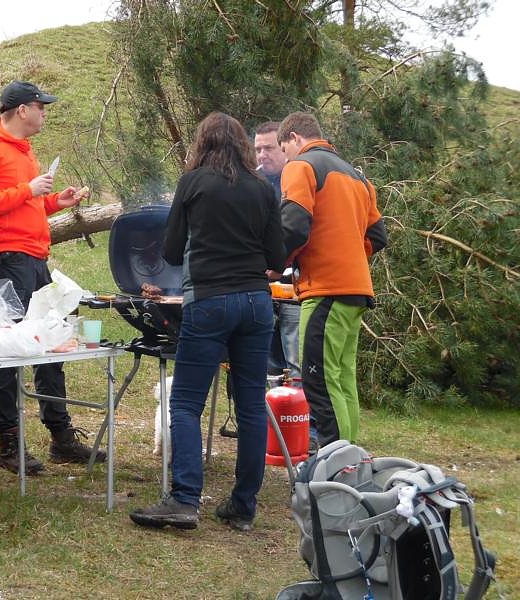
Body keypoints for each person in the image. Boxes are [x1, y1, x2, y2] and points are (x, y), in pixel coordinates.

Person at [129, 112, 285, 531]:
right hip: (256, 302)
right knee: (251, 404)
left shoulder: (193, 182)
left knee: (185, 403)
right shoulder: (261, 188)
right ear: (243, 146)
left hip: (210, 301)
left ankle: (184, 499)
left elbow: (172, 250)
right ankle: (243, 506)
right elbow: (277, 255)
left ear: (202, 144)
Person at [0, 80, 106, 475]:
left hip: (34, 257)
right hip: (5, 259)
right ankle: (9, 444)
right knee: (9, 349)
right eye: (41, 106)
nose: (45, 113)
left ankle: (61, 436)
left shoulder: (25, 151)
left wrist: (55, 201)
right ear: (22, 109)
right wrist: (28, 190)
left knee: (50, 342)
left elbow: (25, 206)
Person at [277, 112, 387, 448]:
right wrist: (348, 254)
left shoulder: (301, 166)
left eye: (283, 150)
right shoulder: (358, 177)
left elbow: (293, 226)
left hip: (325, 291)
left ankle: (335, 465)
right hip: (356, 290)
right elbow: (377, 236)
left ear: (294, 138)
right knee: (341, 379)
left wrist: (275, 265)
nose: (285, 158)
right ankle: (351, 460)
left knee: (320, 382)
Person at [255, 121, 301, 382]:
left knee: (297, 366)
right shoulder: (252, 183)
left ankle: (300, 407)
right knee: (268, 366)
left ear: (284, 148)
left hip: (294, 288)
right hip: (261, 288)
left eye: (269, 148)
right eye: (258, 149)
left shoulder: (299, 178)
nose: (262, 155)